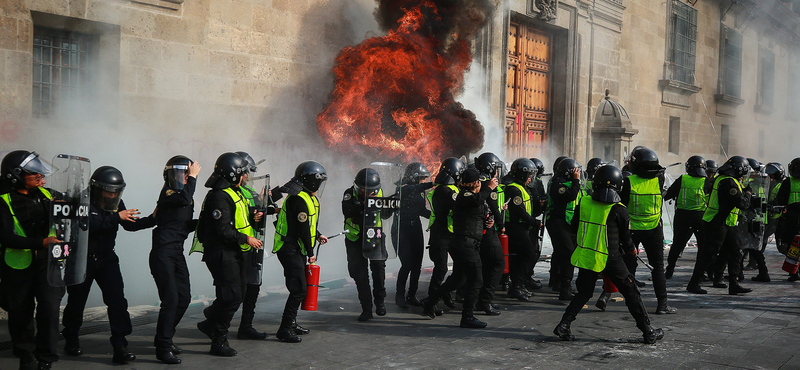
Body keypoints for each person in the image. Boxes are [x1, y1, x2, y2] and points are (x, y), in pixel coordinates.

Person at [553, 165, 664, 344]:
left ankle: (564, 325)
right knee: (631, 292)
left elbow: (574, 226)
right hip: (611, 257)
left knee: (584, 292)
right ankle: (648, 331)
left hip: (588, 254)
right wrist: (632, 250)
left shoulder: (585, 202)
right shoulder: (620, 209)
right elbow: (626, 239)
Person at [61, 166, 156, 364]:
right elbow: (88, 225)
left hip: (106, 259)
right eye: (108, 191)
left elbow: (129, 224)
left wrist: (153, 219)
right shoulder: (82, 201)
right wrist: (115, 217)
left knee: (117, 302)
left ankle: (120, 345)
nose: (112, 195)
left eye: (116, 192)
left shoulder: (115, 203)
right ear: (96, 188)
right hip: (82, 259)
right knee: (76, 302)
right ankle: (71, 338)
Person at [194, 153, 264, 356]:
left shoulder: (235, 192)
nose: (245, 177)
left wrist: (254, 215)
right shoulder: (219, 196)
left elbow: (238, 216)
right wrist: (246, 239)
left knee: (238, 294)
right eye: (242, 173)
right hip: (221, 253)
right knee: (231, 297)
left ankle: (210, 321)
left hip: (234, 252)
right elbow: (222, 229)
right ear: (233, 175)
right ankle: (218, 341)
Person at [0, 151, 64, 370]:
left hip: (48, 265)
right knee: (21, 315)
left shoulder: (47, 195)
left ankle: (46, 358)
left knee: (49, 310)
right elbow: (5, 236)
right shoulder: (3, 200)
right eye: (36, 176)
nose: (42, 179)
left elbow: (76, 208)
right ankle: (26, 356)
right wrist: (41, 243)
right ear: (16, 175)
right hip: (17, 268)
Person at [421, 168, 499, 328]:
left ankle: (430, 301)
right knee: (476, 280)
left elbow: (476, 212)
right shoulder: (465, 195)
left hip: (468, 243)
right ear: (475, 183)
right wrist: (489, 188)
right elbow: (476, 201)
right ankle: (467, 316)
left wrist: (487, 221)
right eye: (479, 183)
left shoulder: (473, 197)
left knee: (458, 279)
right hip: (465, 244)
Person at [149, 155, 200, 364]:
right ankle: (162, 347)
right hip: (162, 253)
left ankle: (166, 337)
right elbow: (182, 200)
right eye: (183, 173)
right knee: (170, 300)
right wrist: (194, 177)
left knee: (184, 297)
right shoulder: (169, 193)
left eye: (188, 174)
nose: (186, 177)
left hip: (176, 252)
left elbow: (183, 225)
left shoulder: (186, 196)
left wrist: (203, 223)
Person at [272, 161, 329, 343]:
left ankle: (292, 323)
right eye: (318, 182)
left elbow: (308, 226)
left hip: (296, 247)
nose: (319, 186)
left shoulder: (307, 197)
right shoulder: (298, 198)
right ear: (311, 181)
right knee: (299, 290)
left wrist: (318, 235)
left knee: (298, 287)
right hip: (289, 247)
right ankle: (285, 328)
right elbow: (302, 229)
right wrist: (311, 252)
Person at [620, 147, 676, 314]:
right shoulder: (658, 180)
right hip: (653, 229)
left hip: (632, 230)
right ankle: (662, 305)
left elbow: (622, 206)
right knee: (658, 267)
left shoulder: (629, 182)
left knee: (629, 266)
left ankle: (632, 302)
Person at [687, 156, 753, 294]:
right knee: (709, 254)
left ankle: (733, 284)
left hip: (726, 222)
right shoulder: (729, 182)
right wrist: (748, 193)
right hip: (717, 222)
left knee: (735, 251)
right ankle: (694, 283)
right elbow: (742, 204)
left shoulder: (726, 179)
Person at [233, 151, 278, 340]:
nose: (248, 176)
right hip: (239, 246)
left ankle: (246, 326)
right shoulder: (235, 190)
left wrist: (265, 203)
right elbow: (244, 214)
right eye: (247, 172)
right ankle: (213, 317)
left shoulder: (249, 190)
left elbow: (255, 211)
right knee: (238, 290)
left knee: (253, 286)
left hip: (253, 243)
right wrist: (257, 209)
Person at [342, 168, 392, 321]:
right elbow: (348, 211)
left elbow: (384, 214)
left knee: (378, 271)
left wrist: (390, 206)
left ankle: (380, 301)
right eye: (363, 190)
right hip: (355, 239)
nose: (368, 193)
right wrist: (366, 205)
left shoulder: (379, 193)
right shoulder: (349, 194)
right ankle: (366, 309)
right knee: (360, 275)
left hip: (375, 237)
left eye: (372, 191)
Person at [426, 158, 465, 314]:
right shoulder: (445, 190)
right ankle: (432, 299)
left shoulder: (450, 189)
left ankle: (445, 293)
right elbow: (459, 207)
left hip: (450, 233)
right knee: (441, 268)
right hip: (441, 235)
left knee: (458, 267)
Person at [662, 155, 711, 279]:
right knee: (704, 246)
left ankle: (669, 270)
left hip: (682, 216)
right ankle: (702, 272)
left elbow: (667, 195)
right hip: (701, 217)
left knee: (677, 244)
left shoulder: (682, 179)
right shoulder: (707, 182)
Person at [394, 162, 433, 309]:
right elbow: (410, 189)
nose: (423, 181)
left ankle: (412, 294)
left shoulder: (420, 190)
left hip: (415, 227)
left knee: (417, 264)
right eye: (422, 178)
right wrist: (430, 184)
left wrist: (436, 216)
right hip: (402, 229)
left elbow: (422, 210)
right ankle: (399, 295)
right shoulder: (402, 188)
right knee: (407, 264)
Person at [546, 158, 584, 300]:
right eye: (575, 171)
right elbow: (571, 195)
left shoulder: (568, 183)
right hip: (558, 223)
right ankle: (565, 288)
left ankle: (557, 281)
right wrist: (576, 181)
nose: (578, 174)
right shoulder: (558, 185)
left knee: (561, 253)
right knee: (568, 253)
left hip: (569, 224)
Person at [504, 158, 541, 301]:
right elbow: (519, 211)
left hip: (523, 227)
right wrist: (535, 223)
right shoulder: (513, 189)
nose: (531, 178)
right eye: (529, 175)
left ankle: (519, 286)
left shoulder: (522, 187)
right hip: (515, 227)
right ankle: (516, 287)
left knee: (522, 257)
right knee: (526, 255)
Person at [473, 153, 505, 314]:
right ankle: (485, 301)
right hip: (487, 230)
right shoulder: (487, 183)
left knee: (485, 264)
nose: (497, 173)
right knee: (498, 263)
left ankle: (481, 299)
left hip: (479, 228)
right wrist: (501, 224)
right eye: (496, 168)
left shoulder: (478, 180)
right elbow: (492, 205)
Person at [749, 162, 786, 282]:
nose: (770, 177)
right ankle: (755, 264)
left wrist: (774, 206)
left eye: (772, 175)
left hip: (777, 218)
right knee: (761, 240)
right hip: (767, 216)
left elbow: (782, 200)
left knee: (780, 245)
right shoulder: (767, 183)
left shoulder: (782, 185)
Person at [775, 157, 800, 282]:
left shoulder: (788, 181)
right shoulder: (787, 182)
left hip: (792, 217)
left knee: (792, 245)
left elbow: (781, 199)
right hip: (793, 217)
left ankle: (793, 272)